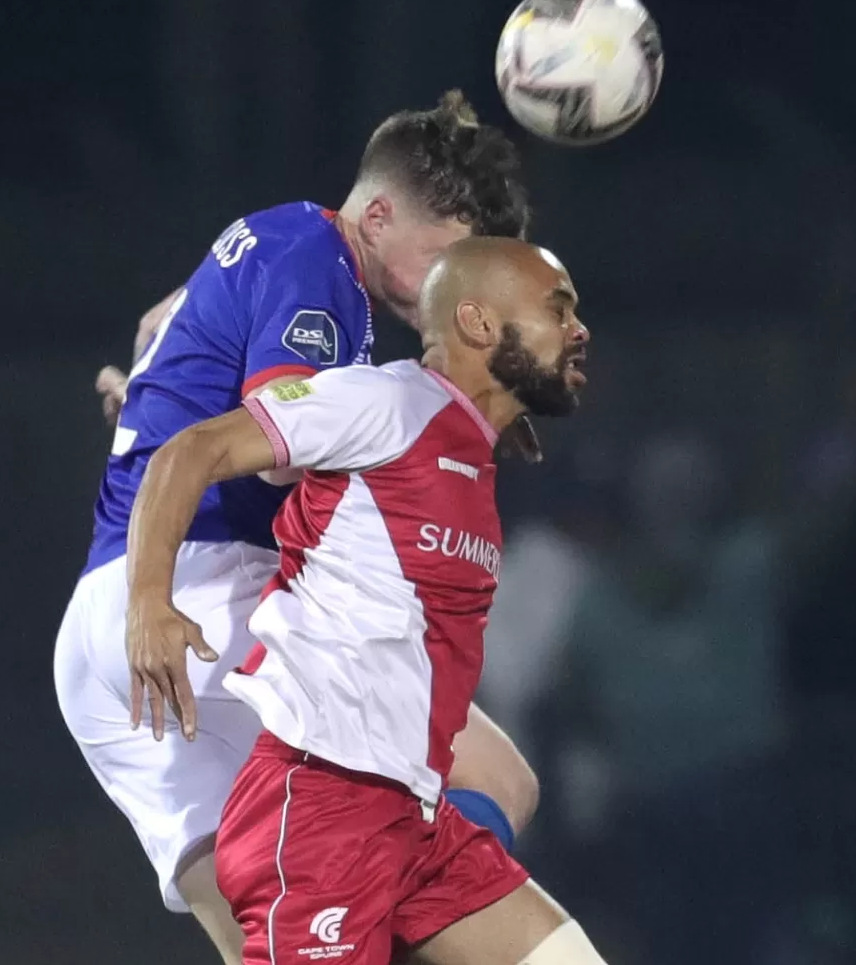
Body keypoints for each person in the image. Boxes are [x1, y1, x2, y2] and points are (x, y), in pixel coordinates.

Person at [54, 93, 540, 963]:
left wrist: (158, 403)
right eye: (442, 258)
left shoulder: (270, 241)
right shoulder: (321, 263)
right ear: (379, 215)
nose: (450, 288)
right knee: (497, 778)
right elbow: (288, 451)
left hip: (106, 623)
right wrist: (430, 422)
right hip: (202, 594)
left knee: (264, 935)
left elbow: (158, 328)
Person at [125, 238, 607, 964]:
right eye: (557, 309)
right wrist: (147, 605)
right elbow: (191, 451)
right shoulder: (385, 402)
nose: (579, 329)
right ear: (478, 322)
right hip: (322, 812)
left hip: (417, 822)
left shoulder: (465, 445)